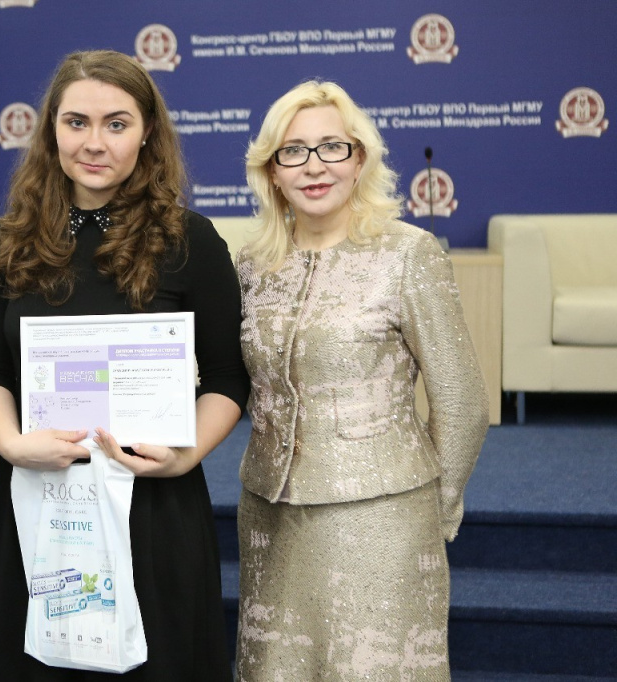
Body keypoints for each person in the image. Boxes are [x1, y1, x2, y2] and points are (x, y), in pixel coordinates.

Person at [0, 49, 250, 681]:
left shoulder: (190, 240)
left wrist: (185, 457)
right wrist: (11, 444)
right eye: (76, 122)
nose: (94, 143)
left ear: (147, 133)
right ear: (51, 130)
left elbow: (228, 379)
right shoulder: (6, 241)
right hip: (38, 496)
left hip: (152, 502)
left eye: (116, 124)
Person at [234, 80, 489, 680]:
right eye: (293, 151)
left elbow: (462, 400)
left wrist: (435, 508)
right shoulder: (252, 264)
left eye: (332, 147)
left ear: (360, 159)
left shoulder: (407, 254)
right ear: (272, 171)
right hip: (271, 517)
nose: (314, 166)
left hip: (383, 517)